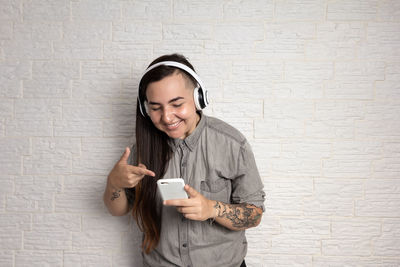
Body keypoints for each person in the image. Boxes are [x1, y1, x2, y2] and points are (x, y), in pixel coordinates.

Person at [103, 53, 265, 267]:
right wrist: (114, 183)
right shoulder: (140, 151)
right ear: (145, 108)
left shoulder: (233, 144)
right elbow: (118, 209)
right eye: (155, 107)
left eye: (176, 104)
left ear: (199, 98)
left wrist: (211, 209)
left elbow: (254, 215)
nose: (167, 117)